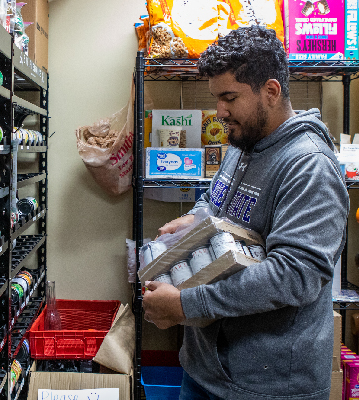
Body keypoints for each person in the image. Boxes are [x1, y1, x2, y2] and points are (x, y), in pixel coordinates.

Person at [142, 26, 349, 400]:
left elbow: (295, 274)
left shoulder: (309, 166)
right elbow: (215, 199)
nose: (219, 111)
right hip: (206, 369)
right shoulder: (245, 140)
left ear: (270, 91)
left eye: (229, 97)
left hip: (266, 387)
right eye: (216, 97)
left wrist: (186, 305)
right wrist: (197, 217)